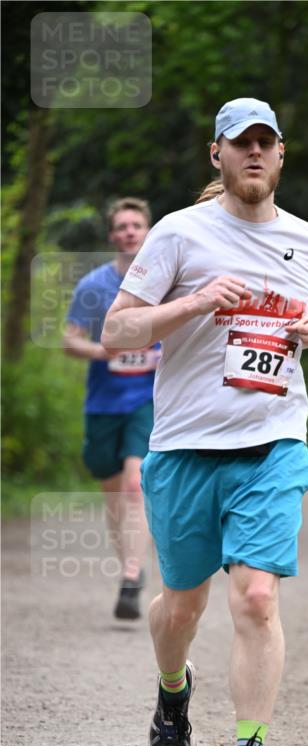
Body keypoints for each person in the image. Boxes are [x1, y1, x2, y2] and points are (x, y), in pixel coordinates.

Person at [101, 97, 308, 746]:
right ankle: (173, 692)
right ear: (218, 155)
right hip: (183, 449)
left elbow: (299, 323)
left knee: (258, 598)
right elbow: (118, 331)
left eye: (266, 143)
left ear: (282, 154)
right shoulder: (179, 233)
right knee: (182, 606)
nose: (254, 154)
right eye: (241, 144)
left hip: (272, 443)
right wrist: (195, 302)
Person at [63, 197, 155, 619]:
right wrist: (104, 351)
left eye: (137, 224)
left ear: (148, 231)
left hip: (149, 400)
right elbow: (69, 340)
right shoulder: (93, 287)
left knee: (136, 483)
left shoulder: (164, 281)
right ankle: (128, 566)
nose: (130, 231)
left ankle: (132, 578)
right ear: (112, 236)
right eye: (122, 226)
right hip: (102, 403)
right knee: (114, 493)